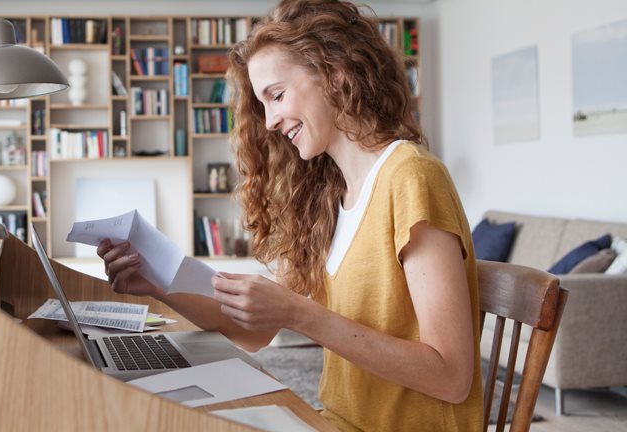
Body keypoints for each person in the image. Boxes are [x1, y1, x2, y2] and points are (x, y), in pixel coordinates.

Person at [97, 0, 483, 430]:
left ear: (336, 73)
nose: (269, 121)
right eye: (262, 105)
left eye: (276, 96)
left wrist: (300, 314)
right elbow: (255, 332)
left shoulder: (411, 176)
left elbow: (451, 377)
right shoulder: (331, 198)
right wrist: (157, 285)